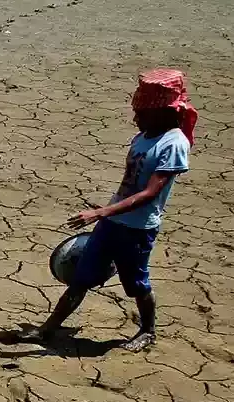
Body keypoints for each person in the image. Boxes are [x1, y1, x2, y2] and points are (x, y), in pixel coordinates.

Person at [30, 69, 196, 352]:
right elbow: (131, 184)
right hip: (112, 221)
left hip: (137, 229)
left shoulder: (174, 144)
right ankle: (47, 329)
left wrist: (100, 213)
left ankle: (148, 330)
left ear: (163, 112)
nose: (136, 118)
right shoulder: (143, 136)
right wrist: (107, 211)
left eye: (142, 112)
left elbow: (149, 193)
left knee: (136, 284)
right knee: (81, 278)